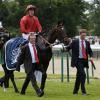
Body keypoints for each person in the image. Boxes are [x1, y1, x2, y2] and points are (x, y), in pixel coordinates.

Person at [66, 29, 93, 95]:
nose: (84, 36)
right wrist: (64, 49)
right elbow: (68, 47)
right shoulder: (75, 41)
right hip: (77, 61)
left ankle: (75, 92)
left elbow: (90, 51)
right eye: (83, 35)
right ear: (80, 34)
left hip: (84, 61)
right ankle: (83, 91)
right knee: (83, 75)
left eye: (85, 35)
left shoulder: (87, 42)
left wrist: (91, 56)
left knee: (79, 76)